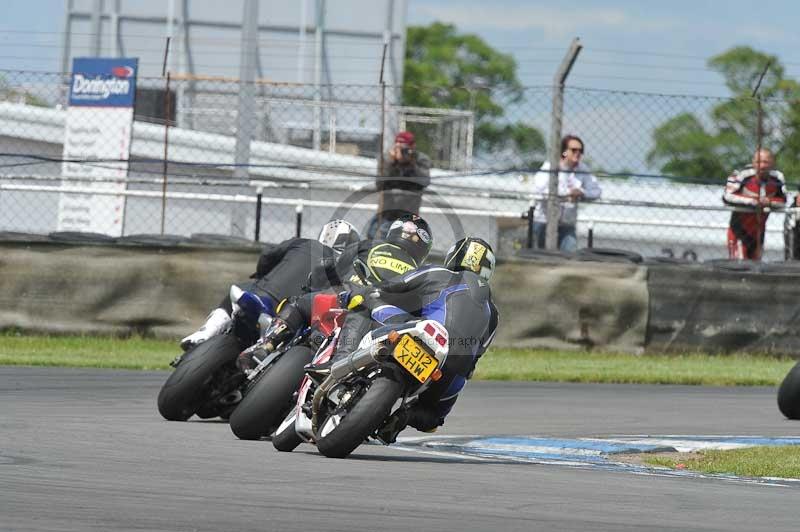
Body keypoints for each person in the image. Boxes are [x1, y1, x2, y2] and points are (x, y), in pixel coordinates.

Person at [236, 214, 433, 372]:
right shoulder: (421, 274)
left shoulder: (369, 245)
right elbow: (418, 309)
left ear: (394, 231)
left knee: (299, 303)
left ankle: (265, 346)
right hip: (379, 328)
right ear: (423, 249)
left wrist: (315, 286)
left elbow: (331, 268)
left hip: (341, 301)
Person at [179, 220, 361, 351]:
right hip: (295, 318)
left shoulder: (303, 243)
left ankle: (205, 331)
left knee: (243, 287)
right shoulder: (347, 267)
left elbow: (267, 257)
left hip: (265, 296)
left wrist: (261, 275)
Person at [531, 134, 601, 252]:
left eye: (581, 150)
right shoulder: (550, 166)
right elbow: (538, 190)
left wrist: (582, 193)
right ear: (564, 151)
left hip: (567, 224)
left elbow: (597, 191)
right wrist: (566, 194)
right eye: (574, 150)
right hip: (544, 222)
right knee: (543, 257)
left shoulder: (582, 169)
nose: (578, 153)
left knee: (570, 255)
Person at [723, 148, 787, 260]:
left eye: (766, 162)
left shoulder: (777, 177)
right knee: (739, 266)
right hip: (739, 230)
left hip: (759, 232)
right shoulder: (742, 174)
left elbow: (783, 201)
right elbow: (727, 197)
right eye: (758, 162)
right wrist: (753, 201)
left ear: (772, 163)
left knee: (756, 266)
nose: (762, 166)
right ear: (753, 162)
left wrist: (769, 202)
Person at [367, 131, 431, 239]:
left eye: (405, 148)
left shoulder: (420, 159)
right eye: (399, 147)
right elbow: (379, 184)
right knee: (375, 238)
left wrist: (411, 164)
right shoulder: (387, 158)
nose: (402, 151)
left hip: (409, 214)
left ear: (413, 146)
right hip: (387, 212)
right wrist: (391, 163)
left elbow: (425, 181)